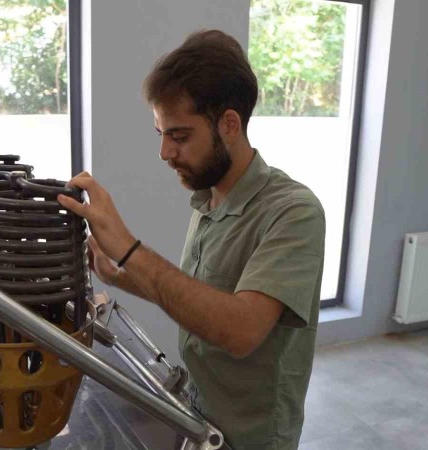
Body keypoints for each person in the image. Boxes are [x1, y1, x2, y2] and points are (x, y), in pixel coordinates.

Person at [57, 29, 325, 450]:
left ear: (229, 124)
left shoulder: (294, 212)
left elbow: (240, 331)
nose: (165, 152)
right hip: (198, 418)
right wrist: (118, 275)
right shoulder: (208, 199)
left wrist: (128, 247)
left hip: (248, 440)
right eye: (160, 134)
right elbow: (198, 300)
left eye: (179, 136)